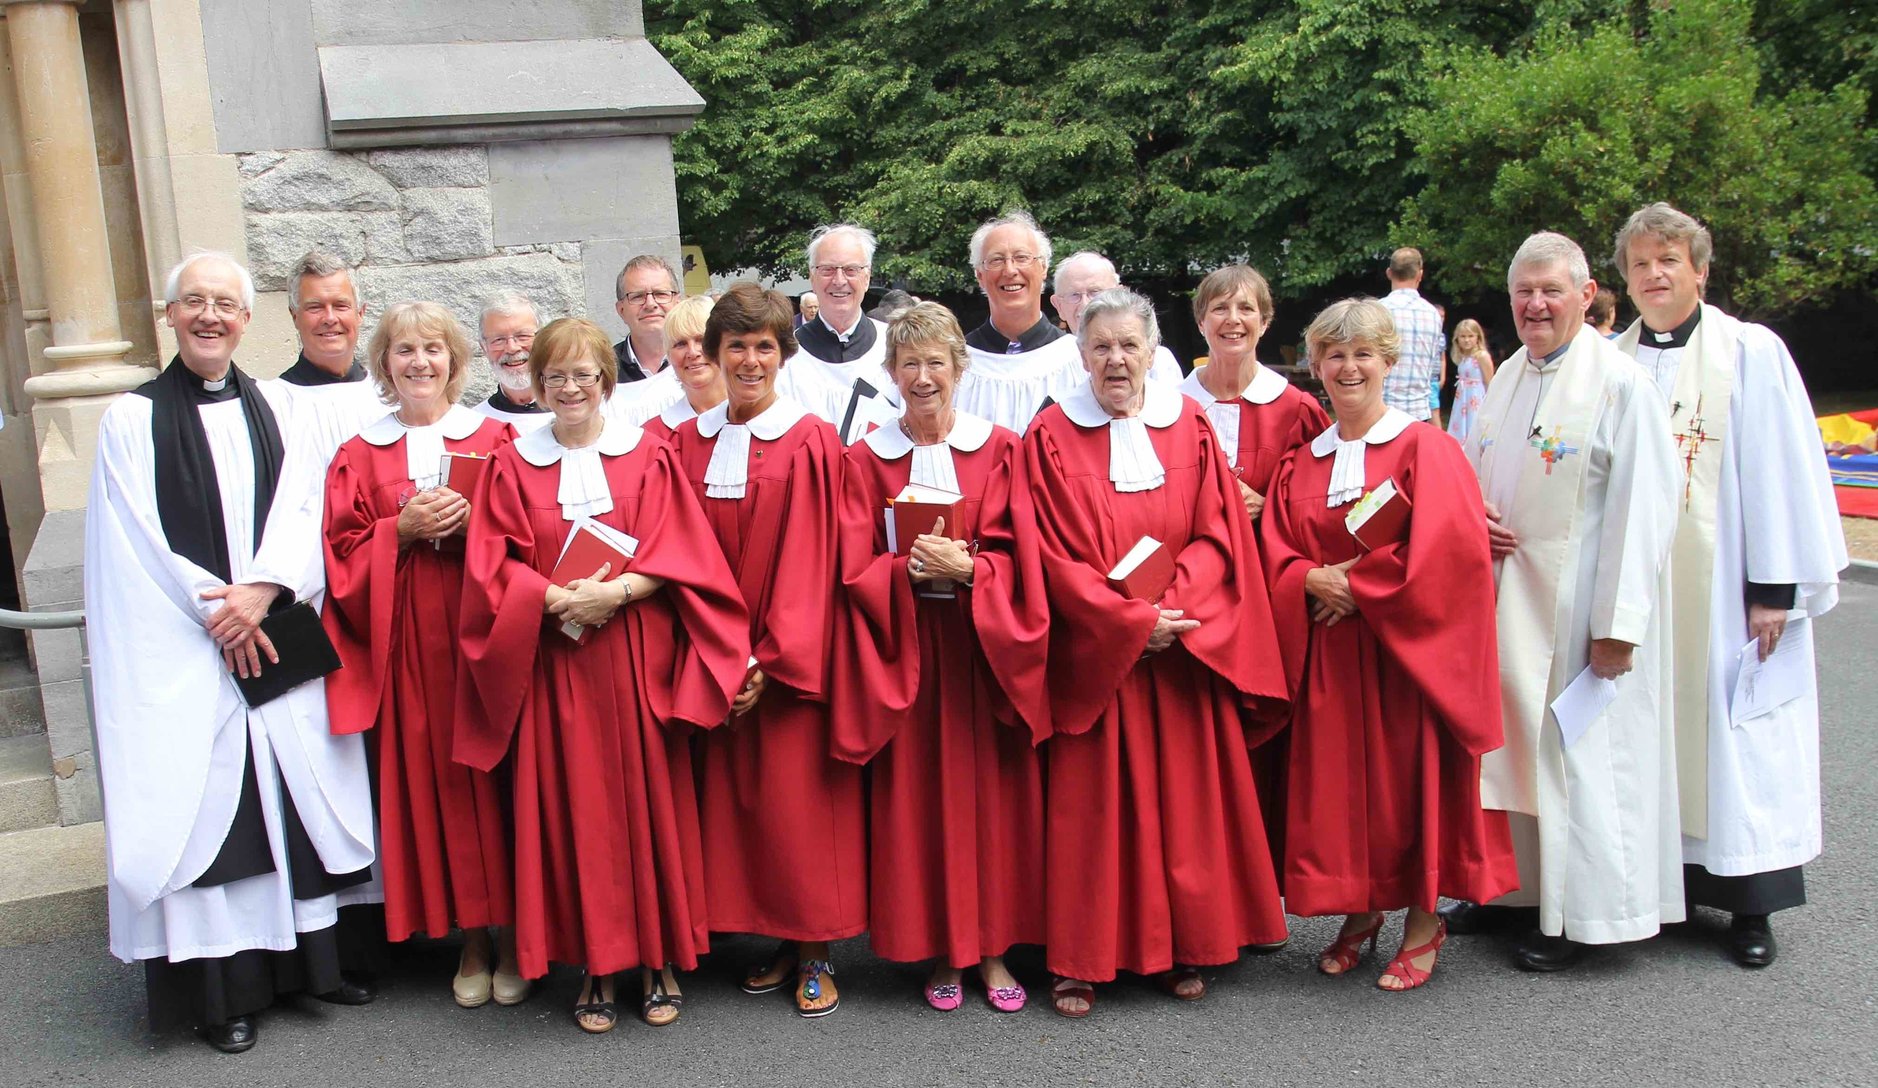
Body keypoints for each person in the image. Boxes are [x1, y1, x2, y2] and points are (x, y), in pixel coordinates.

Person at [86, 252, 376, 1053]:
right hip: (183, 646)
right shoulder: (129, 420)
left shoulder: (280, 409)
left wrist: (265, 590)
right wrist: (214, 609)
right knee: (217, 812)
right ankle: (227, 994)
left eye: (225, 304)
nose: (210, 316)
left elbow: (307, 508)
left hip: (272, 627)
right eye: (194, 303)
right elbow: (130, 540)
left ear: (247, 321)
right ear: (169, 316)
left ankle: (316, 969)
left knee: (291, 798)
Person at [455, 317, 751, 1033]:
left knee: (643, 805)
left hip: (631, 652)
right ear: (538, 383)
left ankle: (658, 958)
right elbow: (490, 563)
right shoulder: (510, 462)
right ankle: (595, 963)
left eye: (584, 375)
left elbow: (684, 552)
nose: (570, 388)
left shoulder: (646, 456)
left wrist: (613, 593)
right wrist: (552, 597)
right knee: (575, 810)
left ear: (605, 381)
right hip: (554, 660)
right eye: (555, 376)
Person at [1021, 288, 1290, 1017]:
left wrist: (1178, 610)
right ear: (1081, 355)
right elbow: (1046, 553)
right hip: (1102, 656)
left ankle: (1179, 947)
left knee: (1182, 810)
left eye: (1128, 346)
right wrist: (1127, 621)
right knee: (1093, 818)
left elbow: (1218, 531)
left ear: (1152, 351)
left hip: (1180, 653)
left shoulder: (1189, 425)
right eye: (1101, 346)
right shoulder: (1048, 437)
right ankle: (1082, 959)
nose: (1115, 360)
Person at [1611, 202, 1849, 967]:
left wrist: (1773, 587)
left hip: (1724, 594)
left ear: (1700, 271)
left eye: (1668, 261)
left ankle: (1752, 906)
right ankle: (1660, 889)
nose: (1654, 275)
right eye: (1641, 263)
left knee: (1738, 738)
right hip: (1641, 591)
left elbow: (1780, 466)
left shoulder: (1750, 352)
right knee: (1644, 735)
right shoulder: (1610, 359)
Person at [1260, 298, 1518, 991]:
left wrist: (1361, 586)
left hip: (1407, 657)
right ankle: (1362, 907)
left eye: (1363, 354)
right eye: (1335, 355)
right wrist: (1310, 577)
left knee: (1407, 788)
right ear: (1316, 366)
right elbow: (1272, 549)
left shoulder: (1426, 448)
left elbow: (1451, 552)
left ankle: (1424, 920)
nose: (1349, 367)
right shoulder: (1300, 463)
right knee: (1347, 791)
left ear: (1389, 362)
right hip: (1330, 660)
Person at [1448, 232, 1683, 971]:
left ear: (1586, 295)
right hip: (1512, 600)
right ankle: (1516, 894)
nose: (1535, 305)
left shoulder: (1619, 384)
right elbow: (1482, 470)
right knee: (1516, 751)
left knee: (1581, 760)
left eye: (1551, 290)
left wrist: (1618, 628)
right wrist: (1472, 516)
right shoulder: (1511, 373)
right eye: (1523, 291)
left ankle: (1588, 918)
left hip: (1584, 612)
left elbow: (1648, 510)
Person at [833, 303, 1051, 1013]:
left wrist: (975, 570)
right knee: (922, 805)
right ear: (891, 373)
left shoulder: (1003, 449)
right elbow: (848, 562)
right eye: (908, 364)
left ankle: (991, 952)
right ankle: (941, 950)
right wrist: (903, 575)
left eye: (936, 363)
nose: (922, 377)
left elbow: (1030, 552)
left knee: (991, 804)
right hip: (909, 655)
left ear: (960, 369)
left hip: (983, 651)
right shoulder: (864, 459)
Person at [666, 284, 866, 1017]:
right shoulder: (683, 443)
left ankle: (816, 949)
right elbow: (675, 553)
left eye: (764, 348)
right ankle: (776, 941)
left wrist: (767, 658)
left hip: (786, 659)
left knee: (798, 810)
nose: (750, 361)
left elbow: (818, 559)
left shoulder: (812, 439)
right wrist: (717, 651)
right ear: (714, 356)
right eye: (736, 347)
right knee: (731, 806)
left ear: (782, 356)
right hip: (706, 652)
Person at [321, 302, 522, 1008]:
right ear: (383, 365)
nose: (419, 363)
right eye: (403, 350)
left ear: (455, 361)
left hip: (484, 636)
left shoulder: (495, 437)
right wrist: (397, 531)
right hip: (409, 644)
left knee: (500, 777)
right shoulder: (359, 454)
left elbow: (529, 535)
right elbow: (339, 557)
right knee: (439, 783)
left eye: (432, 349)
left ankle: (521, 937)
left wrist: (478, 530)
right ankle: (471, 938)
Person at [1180, 264, 1329, 520]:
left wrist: (1267, 505)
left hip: (1266, 555)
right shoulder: (1170, 408)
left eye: (1246, 308)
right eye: (1220, 308)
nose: (1233, 319)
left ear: (1264, 323)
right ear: (1201, 323)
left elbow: (1320, 497)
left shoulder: (1297, 410)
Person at [953, 212, 1085, 431]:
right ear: (980, 275)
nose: (1010, 270)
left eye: (1021, 257)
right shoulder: (958, 363)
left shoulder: (1077, 359)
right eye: (996, 260)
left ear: (1043, 268)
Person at [777, 224, 900, 442]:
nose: (839, 280)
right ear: (812, 277)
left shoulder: (896, 345)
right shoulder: (784, 357)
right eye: (828, 270)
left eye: (851, 270)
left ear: (867, 277)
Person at [269, 249, 385, 460]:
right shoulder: (272, 404)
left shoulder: (389, 397)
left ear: (360, 313)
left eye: (340, 305)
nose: (329, 318)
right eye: (315, 307)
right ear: (294, 316)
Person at [1050, 251, 1182, 383]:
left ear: (1120, 294)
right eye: (1074, 295)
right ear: (1058, 306)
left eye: (1095, 292)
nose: (1085, 304)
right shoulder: (1048, 369)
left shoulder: (1157, 362)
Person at [641, 295, 725, 443]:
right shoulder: (653, 437)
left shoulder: (758, 418)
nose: (692, 352)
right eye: (680, 344)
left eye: (702, 340)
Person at [1377, 247, 1443, 424]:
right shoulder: (1433, 314)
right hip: (1419, 412)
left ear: (1389, 273)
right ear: (1420, 274)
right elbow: (1433, 367)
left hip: (1381, 409)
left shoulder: (1377, 311)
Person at [472, 292, 551, 433]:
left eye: (523, 336)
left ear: (544, 339)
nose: (512, 348)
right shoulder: (473, 424)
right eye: (498, 340)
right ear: (484, 347)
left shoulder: (581, 416)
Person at [612, 254, 680, 382]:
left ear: (677, 303)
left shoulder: (703, 361)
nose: (650, 304)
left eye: (660, 294)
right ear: (621, 310)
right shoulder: (603, 369)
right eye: (638, 296)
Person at [1445, 318, 1496, 443]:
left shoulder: (1482, 356)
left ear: (1477, 337)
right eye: (1463, 336)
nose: (1467, 340)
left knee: (1474, 427)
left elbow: (1490, 382)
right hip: (1462, 398)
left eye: (1470, 336)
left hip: (1475, 398)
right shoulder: (1463, 357)